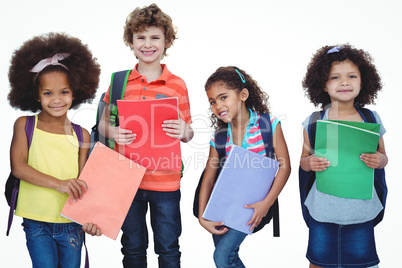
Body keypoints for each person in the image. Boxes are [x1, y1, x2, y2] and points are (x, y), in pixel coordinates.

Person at [98, 4, 193, 267]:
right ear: (131, 41)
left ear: (166, 42)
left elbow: (188, 131)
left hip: (165, 182)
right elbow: (103, 124)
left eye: (155, 37)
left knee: (169, 248)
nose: (147, 44)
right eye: (141, 37)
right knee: (132, 248)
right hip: (125, 179)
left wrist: (184, 130)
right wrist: (114, 130)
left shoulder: (177, 84)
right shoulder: (119, 82)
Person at [8, 32, 101, 267]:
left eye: (64, 92)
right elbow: (18, 167)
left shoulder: (82, 135)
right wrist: (59, 184)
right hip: (35, 221)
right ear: (37, 96)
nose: (56, 99)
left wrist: (92, 218)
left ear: (75, 92)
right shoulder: (25, 125)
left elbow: (85, 183)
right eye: (48, 93)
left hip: (71, 223)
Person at [300, 44, 387, 268]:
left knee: (362, 262)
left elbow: (384, 156)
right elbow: (303, 162)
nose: (344, 82)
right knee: (318, 261)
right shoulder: (313, 121)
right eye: (335, 77)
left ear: (363, 80)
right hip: (323, 210)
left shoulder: (371, 118)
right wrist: (310, 162)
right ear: (323, 84)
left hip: (360, 211)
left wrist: (379, 160)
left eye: (351, 76)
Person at [198, 66, 291, 267]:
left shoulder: (268, 124)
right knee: (227, 258)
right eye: (212, 101)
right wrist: (202, 217)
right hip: (222, 207)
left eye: (223, 97)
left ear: (243, 94)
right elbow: (208, 178)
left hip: (252, 208)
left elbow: (285, 167)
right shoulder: (220, 137)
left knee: (222, 257)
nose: (217, 105)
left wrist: (266, 203)